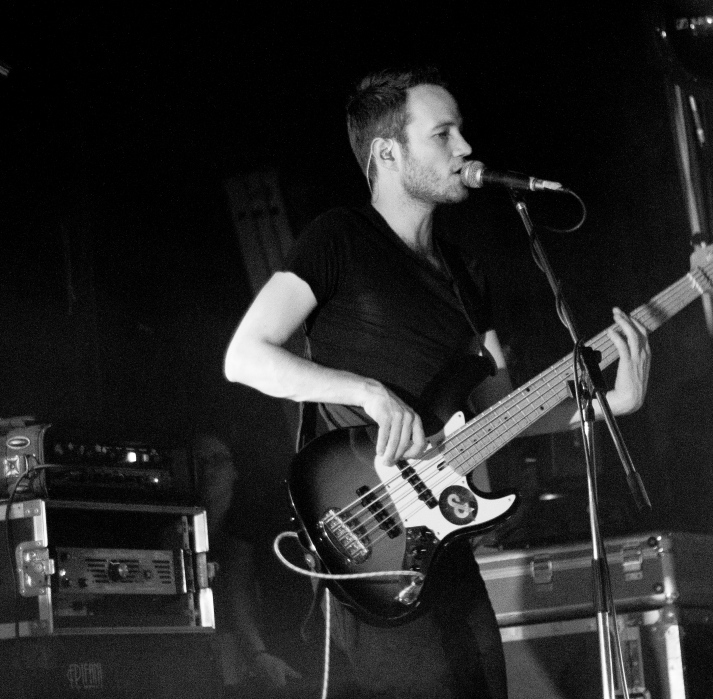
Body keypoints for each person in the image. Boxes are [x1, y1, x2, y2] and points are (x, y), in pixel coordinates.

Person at [223, 66, 651, 699]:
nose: (465, 148)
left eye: (461, 131)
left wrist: (611, 402)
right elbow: (245, 357)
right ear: (388, 153)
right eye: (442, 134)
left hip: (446, 544)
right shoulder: (338, 238)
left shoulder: (465, 275)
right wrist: (367, 392)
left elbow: (503, 416)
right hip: (369, 535)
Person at [192, 433, 305, 697]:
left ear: (235, 470)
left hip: (264, 655)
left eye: (217, 459)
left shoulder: (255, 521)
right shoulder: (174, 529)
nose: (208, 469)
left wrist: (258, 653)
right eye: (198, 462)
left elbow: (239, 588)